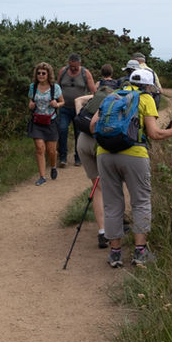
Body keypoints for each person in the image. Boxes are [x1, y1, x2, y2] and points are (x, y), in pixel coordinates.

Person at [90, 68, 172, 269]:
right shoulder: (145, 98)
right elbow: (154, 134)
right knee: (140, 201)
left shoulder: (111, 96)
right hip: (134, 154)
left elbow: (92, 126)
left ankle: (115, 253)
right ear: (149, 86)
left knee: (112, 203)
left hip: (105, 154)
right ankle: (140, 253)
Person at [74, 85, 115, 248]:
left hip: (82, 142)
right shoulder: (113, 100)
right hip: (100, 143)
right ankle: (114, 225)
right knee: (111, 186)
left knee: (97, 188)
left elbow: (77, 100)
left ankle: (102, 231)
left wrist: (92, 97)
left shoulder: (92, 103)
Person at [28, 63, 64, 186]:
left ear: (48, 74)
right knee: (39, 148)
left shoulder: (55, 87)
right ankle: (42, 176)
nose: (41, 75)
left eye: (43, 73)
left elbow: (62, 102)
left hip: (51, 121)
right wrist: (30, 105)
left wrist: (57, 104)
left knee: (51, 150)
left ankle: (53, 166)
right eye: (38, 73)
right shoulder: (33, 86)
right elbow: (31, 100)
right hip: (37, 121)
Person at [57, 53, 96, 168]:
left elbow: (93, 91)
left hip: (79, 109)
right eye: (71, 66)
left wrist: (91, 107)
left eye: (75, 66)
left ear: (79, 63)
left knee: (79, 133)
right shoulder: (63, 71)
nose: (73, 68)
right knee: (62, 130)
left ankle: (78, 158)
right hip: (64, 108)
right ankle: (62, 157)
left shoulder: (85, 73)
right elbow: (57, 87)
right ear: (68, 63)